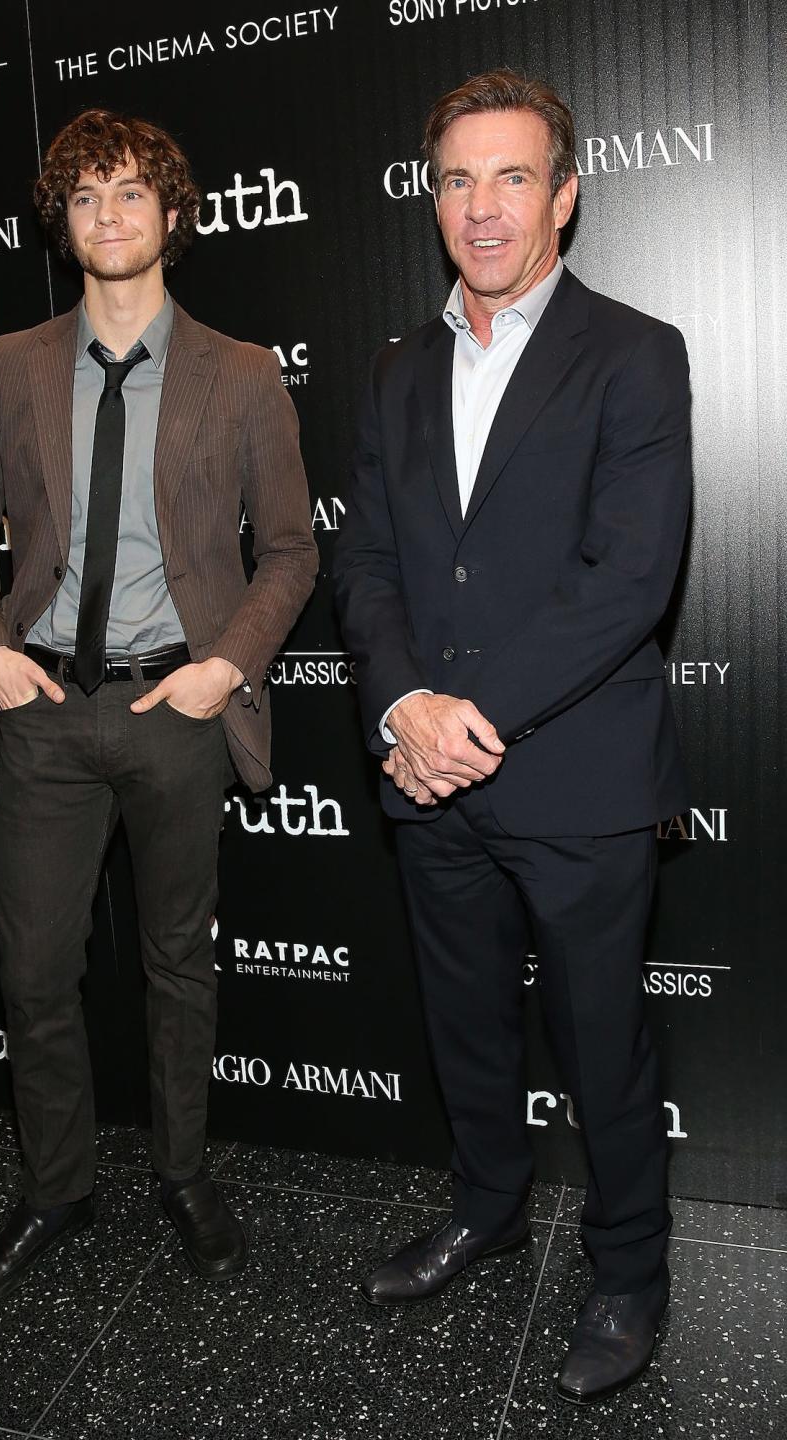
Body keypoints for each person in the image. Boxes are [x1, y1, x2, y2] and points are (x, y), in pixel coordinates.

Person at [334, 69, 691, 1404]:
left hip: (578, 776)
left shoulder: (636, 351)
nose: (481, 207)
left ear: (566, 191)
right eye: (456, 179)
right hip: (428, 776)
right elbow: (363, 562)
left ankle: (629, 1271)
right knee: (466, 1024)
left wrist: (467, 715)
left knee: (605, 1042)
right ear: (433, 200)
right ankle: (485, 1209)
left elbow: (630, 576)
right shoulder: (395, 370)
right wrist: (403, 708)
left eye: (512, 176)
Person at [0, 108, 317, 1306]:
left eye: (131, 194)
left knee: (177, 967)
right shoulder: (9, 362)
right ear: (65, 222)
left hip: (177, 707)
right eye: (87, 196)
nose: (110, 216)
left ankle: (183, 1174)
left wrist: (224, 669)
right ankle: (56, 1188)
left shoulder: (243, 374)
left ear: (172, 214)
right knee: (36, 973)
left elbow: (293, 553)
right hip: (43, 707)